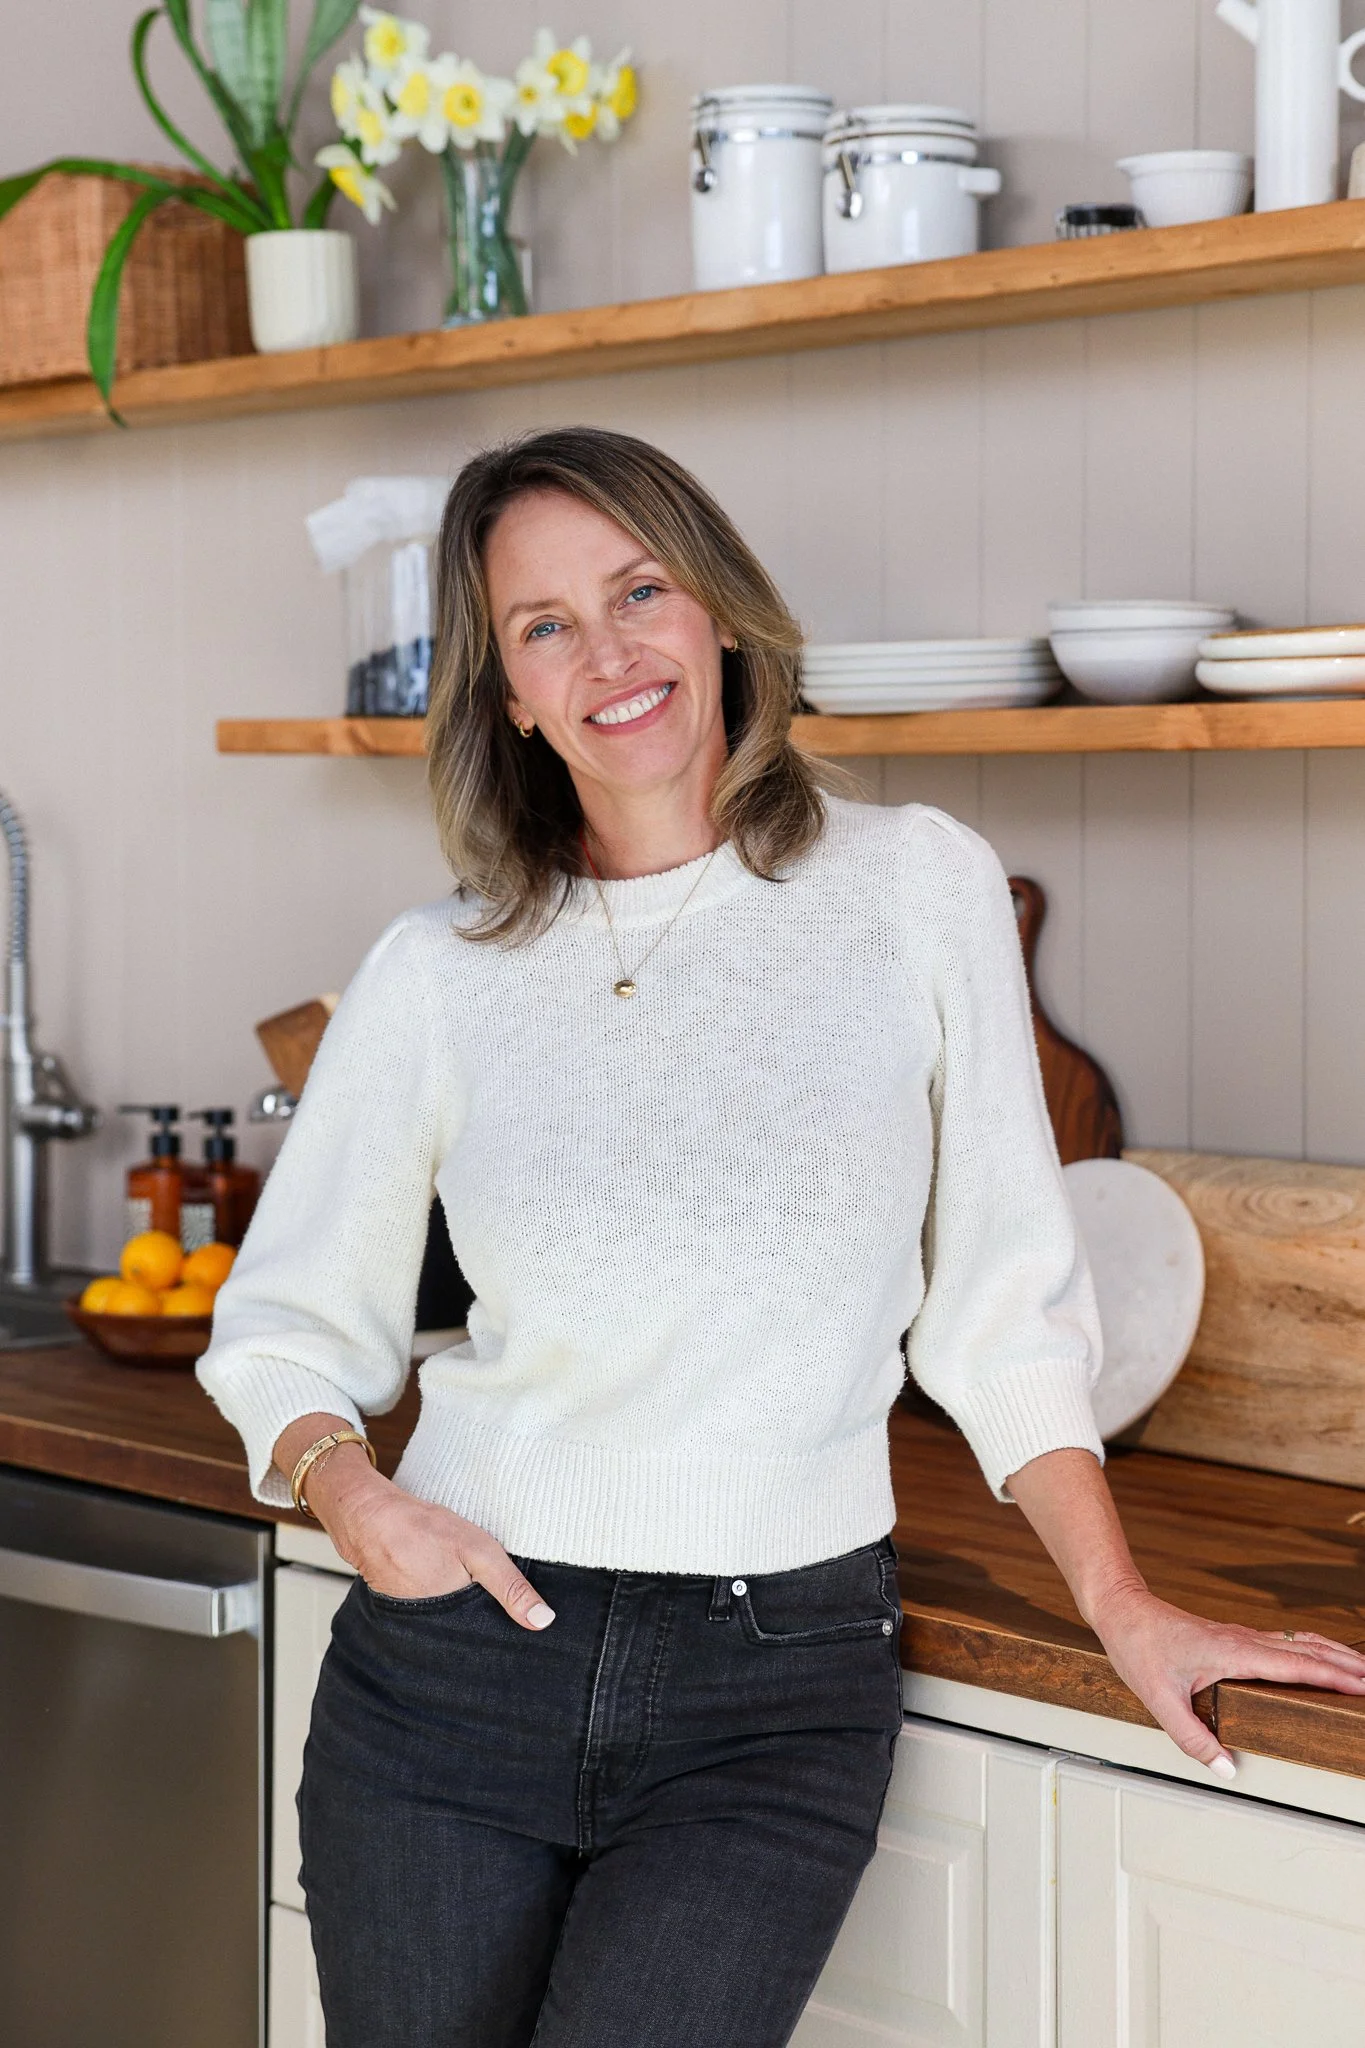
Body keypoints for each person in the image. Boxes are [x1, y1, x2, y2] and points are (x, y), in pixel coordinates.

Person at [199, 426, 1365, 2048]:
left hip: (773, 1687)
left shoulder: (913, 889)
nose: (608, 654)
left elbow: (1002, 1315)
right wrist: (351, 1492)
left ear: (723, 614)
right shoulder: (438, 972)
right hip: (453, 1676)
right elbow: (284, 1327)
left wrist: (1125, 1601)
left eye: (640, 589)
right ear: (508, 699)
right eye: (544, 628)